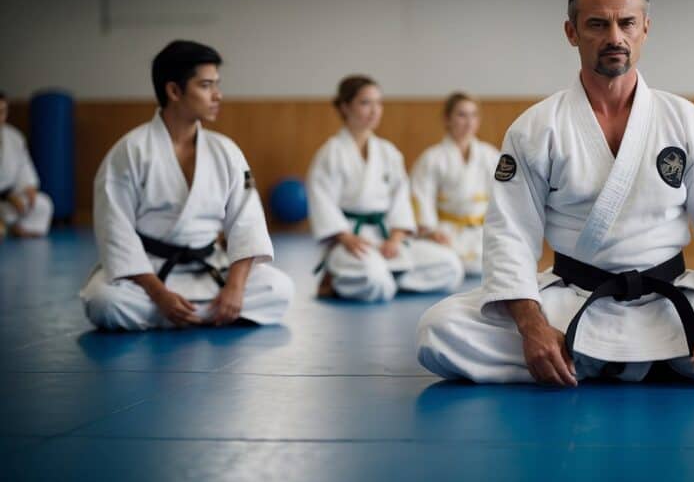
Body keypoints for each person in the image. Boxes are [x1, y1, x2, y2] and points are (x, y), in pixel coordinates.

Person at [416, 0, 694, 386]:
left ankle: (588, 362)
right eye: (597, 24)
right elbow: (510, 234)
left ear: (645, 28)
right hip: (573, 302)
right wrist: (533, 328)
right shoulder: (536, 128)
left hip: (671, 301)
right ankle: (660, 361)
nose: (615, 37)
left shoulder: (686, 121)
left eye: (626, 22)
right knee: (439, 329)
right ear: (571, 32)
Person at [80, 40, 293, 330]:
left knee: (279, 289)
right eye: (206, 85)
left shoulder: (226, 151)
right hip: (147, 274)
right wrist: (160, 295)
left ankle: (193, 313)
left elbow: (248, 223)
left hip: (208, 270)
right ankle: (203, 314)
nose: (218, 95)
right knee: (103, 301)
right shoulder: (130, 151)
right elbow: (114, 230)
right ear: (174, 91)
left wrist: (235, 287)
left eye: (217, 84)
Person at [308, 75, 464, 302]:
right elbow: (323, 204)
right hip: (351, 239)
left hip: (386, 238)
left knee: (450, 266)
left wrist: (396, 238)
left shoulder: (388, 152)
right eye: (365, 103)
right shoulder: (330, 153)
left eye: (378, 103)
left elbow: (401, 201)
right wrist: (347, 238)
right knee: (375, 280)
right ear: (344, 107)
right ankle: (347, 274)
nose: (374, 110)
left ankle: (382, 277)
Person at [411, 92, 500, 276]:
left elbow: (503, 198)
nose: (469, 122)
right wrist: (431, 231)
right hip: (445, 233)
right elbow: (421, 198)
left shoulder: (490, 155)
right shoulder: (432, 158)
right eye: (462, 115)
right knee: (448, 264)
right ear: (447, 119)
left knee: (504, 260)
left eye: (474, 115)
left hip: (482, 232)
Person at [0, 91, 53, 239]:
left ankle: (16, 227)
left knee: (44, 204)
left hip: (11, 203)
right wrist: (8, 196)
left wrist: (29, 187)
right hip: (5, 198)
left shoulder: (14, 137)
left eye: (2, 112)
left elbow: (24, 167)